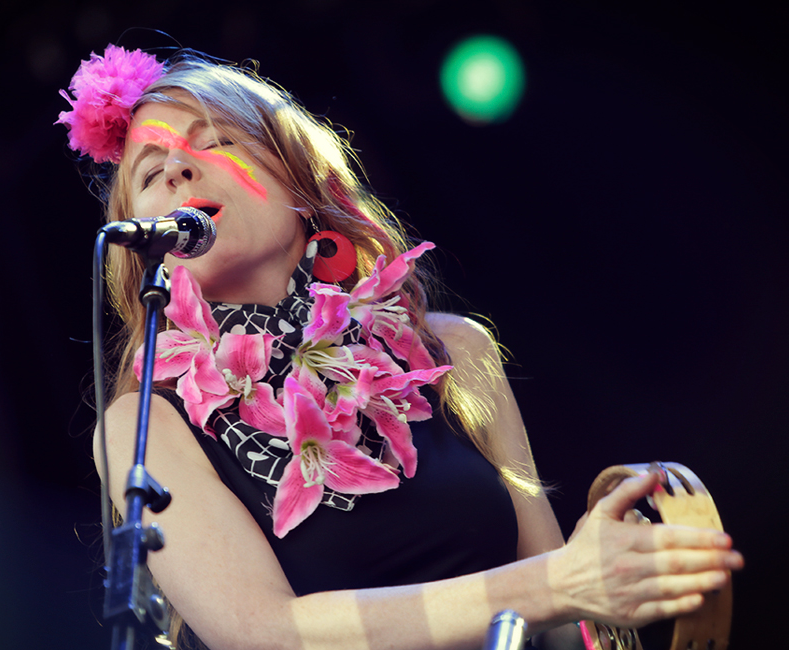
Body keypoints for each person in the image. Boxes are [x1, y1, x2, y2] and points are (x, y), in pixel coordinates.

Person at [58, 45, 743, 650]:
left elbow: (562, 616)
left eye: (215, 144)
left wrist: (597, 580)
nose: (178, 169)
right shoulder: (145, 423)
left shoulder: (454, 352)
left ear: (300, 185)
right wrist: (559, 582)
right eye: (151, 171)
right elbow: (262, 632)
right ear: (149, 251)